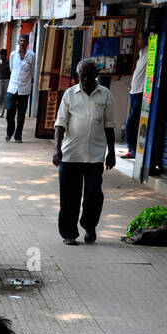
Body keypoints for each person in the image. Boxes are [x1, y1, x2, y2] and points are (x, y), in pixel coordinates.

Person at [52, 57, 116, 246]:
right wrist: (56, 149)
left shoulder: (105, 95)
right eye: (82, 76)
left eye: (90, 76)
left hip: (95, 156)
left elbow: (110, 126)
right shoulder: (70, 95)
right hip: (71, 154)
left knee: (93, 196)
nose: (86, 80)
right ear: (78, 76)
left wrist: (111, 153)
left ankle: (89, 225)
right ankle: (69, 233)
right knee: (69, 197)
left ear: (97, 75)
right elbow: (60, 124)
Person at [5, 34, 36, 143]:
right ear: (18, 42)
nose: (22, 42)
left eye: (24, 41)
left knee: (21, 115)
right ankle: (9, 132)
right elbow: (11, 68)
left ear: (27, 43)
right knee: (9, 112)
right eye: (21, 40)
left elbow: (32, 72)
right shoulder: (13, 55)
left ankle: (18, 136)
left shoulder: (31, 56)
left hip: (25, 88)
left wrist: (27, 82)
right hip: (12, 87)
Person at [122, 34, 148, 159]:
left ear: (146, 40)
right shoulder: (141, 53)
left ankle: (132, 148)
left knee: (130, 123)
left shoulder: (150, 53)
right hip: (134, 92)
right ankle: (132, 149)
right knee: (133, 122)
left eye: (140, 39)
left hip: (140, 93)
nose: (137, 41)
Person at [0, 49, 10, 116]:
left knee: (4, 97)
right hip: (0, 80)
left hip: (6, 80)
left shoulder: (8, 63)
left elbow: (10, 72)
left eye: (2, 54)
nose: (0, 56)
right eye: (0, 54)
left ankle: (1, 112)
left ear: (5, 55)